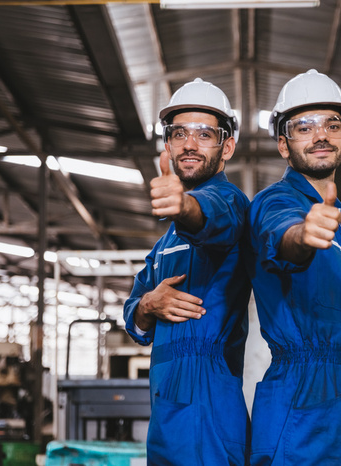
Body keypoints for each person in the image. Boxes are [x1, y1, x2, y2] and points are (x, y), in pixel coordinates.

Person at [244, 69, 341, 465]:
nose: (320, 134)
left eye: (332, 124)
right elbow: (283, 238)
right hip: (304, 399)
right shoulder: (276, 202)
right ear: (284, 145)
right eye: (303, 127)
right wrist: (302, 235)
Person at [123, 78, 251, 465]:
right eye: (179, 133)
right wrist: (148, 304)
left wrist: (183, 207)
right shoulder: (165, 243)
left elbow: (211, 219)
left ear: (226, 146)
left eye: (204, 134)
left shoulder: (232, 204)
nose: (189, 143)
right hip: (165, 406)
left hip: (210, 404)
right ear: (168, 145)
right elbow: (133, 312)